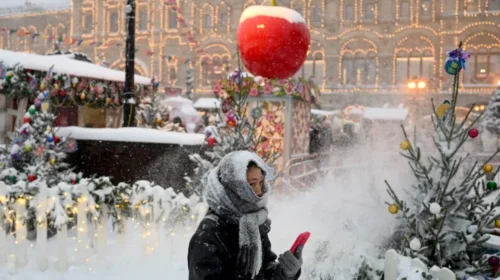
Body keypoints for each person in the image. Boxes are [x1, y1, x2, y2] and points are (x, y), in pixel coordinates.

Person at [188, 151, 303, 280]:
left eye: (260, 182)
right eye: (252, 184)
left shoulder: (252, 222)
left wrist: (284, 273)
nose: (259, 191)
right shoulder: (209, 234)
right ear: (234, 187)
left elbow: (263, 271)